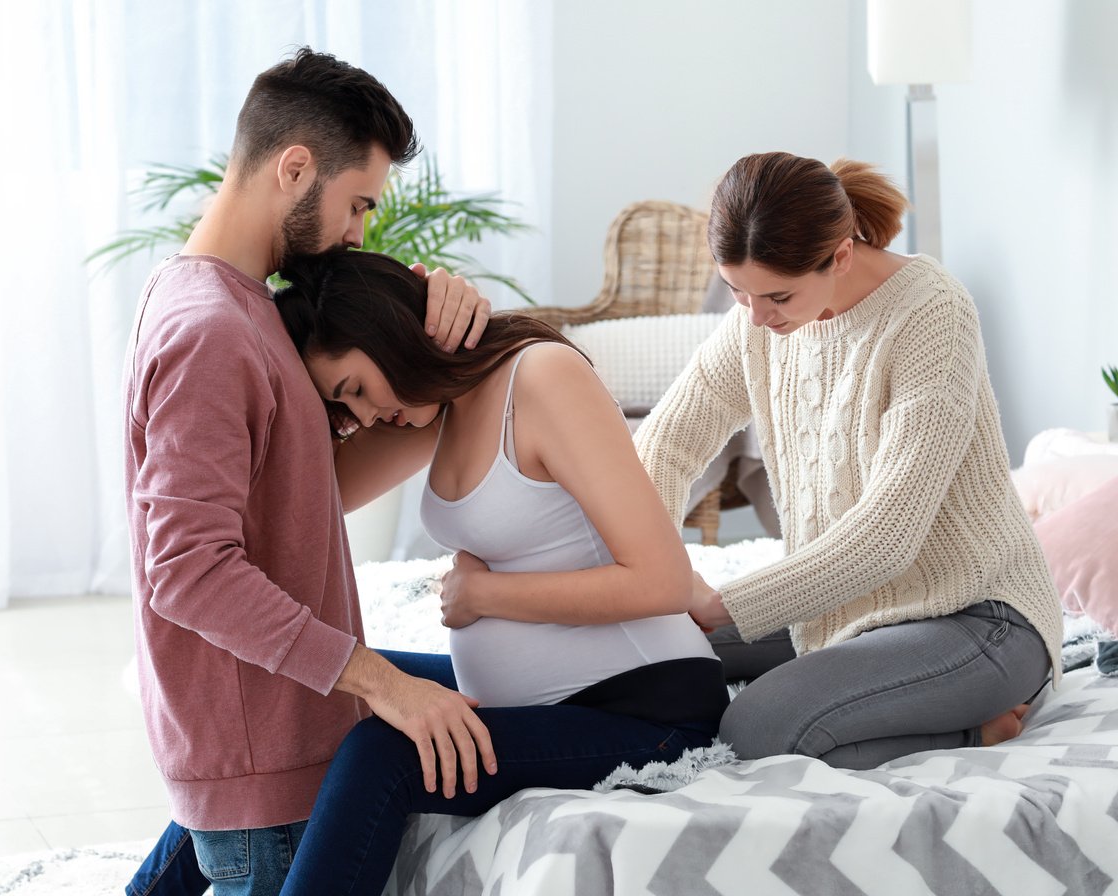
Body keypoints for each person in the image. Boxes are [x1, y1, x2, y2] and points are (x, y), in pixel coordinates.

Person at [123, 48, 497, 896]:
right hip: (267, 762)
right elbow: (188, 571)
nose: (360, 233)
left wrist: (429, 371)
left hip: (269, 733)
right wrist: (383, 685)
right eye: (357, 203)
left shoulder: (232, 306)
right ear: (295, 169)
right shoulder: (212, 332)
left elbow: (307, 504)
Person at [269, 249, 728, 895]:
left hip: (646, 714)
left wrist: (486, 594)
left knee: (383, 753)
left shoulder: (540, 377)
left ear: (387, 334)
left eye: (357, 389)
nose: (367, 414)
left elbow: (664, 581)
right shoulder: (431, 406)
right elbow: (310, 496)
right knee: (313, 683)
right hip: (533, 701)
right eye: (346, 403)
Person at [634, 151, 1063, 770]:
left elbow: (887, 536)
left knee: (757, 726)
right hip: (844, 610)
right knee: (643, 659)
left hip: (976, 618)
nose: (756, 316)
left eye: (777, 296)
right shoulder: (759, 317)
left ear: (839, 256)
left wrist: (718, 604)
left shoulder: (931, 313)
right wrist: (653, 568)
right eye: (737, 291)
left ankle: (976, 732)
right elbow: (667, 444)